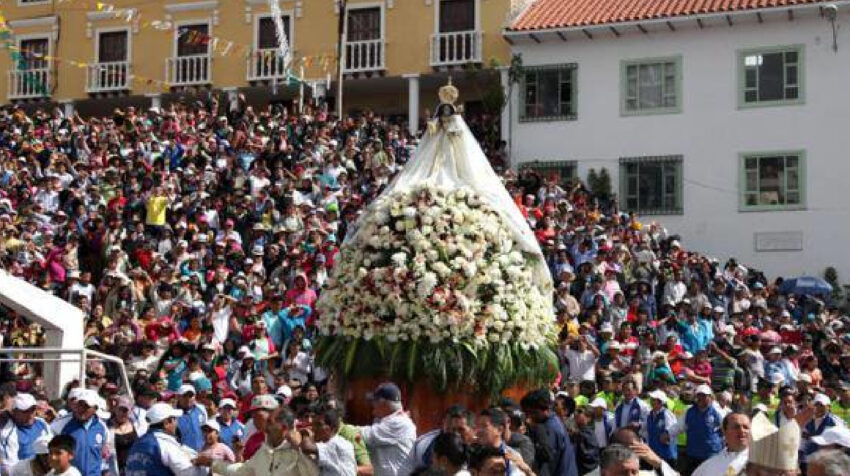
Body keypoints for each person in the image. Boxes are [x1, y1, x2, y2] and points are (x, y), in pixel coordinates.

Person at [196, 407, 319, 476]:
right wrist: (213, 463)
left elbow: (314, 473)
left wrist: (299, 448)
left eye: (270, 423)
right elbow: (242, 471)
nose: (265, 428)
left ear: (284, 428)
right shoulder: (264, 451)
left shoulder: (300, 452)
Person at [125, 402, 208, 476]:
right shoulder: (165, 444)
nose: (176, 423)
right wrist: (206, 467)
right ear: (166, 423)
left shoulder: (137, 443)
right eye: (174, 419)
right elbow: (187, 472)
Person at [355, 383, 416, 476]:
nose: (372, 405)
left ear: (383, 403)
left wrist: (338, 426)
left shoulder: (398, 423)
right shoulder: (388, 420)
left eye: (374, 401)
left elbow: (362, 435)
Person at [49, 390, 109, 476]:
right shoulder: (59, 425)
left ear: (95, 408)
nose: (81, 409)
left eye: (86, 406)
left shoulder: (102, 428)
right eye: (79, 404)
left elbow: (103, 456)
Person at [401, 404, 474, 475]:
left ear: (472, 430)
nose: (456, 434)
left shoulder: (479, 451)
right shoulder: (428, 446)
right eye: (453, 430)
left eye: (461, 430)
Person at [521, 389, 578, 476]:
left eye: (532, 412)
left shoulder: (549, 429)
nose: (529, 417)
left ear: (543, 410)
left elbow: (547, 466)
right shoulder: (553, 421)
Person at [671, 385, 724, 474]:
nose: (701, 398)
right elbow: (679, 426)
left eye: (704, 395)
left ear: (710, 397)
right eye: (699, 395)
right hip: (693, 454)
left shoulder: (718, 412)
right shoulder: (689, 411)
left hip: (711, 455)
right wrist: (667, 433)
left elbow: (727, 429)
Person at [0, 393, 52, 470]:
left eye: (33, 409)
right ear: (14, 412)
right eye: (25, 411)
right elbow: (10, 468)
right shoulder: (7, 432)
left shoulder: (42, 423)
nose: (30, 414)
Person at [300, 406, 356, 476]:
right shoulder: (327, 444)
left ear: (332, 428)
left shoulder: (336, 444)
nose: (313, 429)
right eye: (313, 425)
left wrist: (305, 433)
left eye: (318, 425)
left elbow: (306, 447)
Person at [643, 391, 677, 467]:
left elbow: (673, 430)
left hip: (666, 455)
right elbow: (644, 431)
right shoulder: (649, 415)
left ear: (660, 402)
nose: (651, 402)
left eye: (654, 399)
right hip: (654, 454)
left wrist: (666, 435)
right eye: (651, 399)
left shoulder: (667, 414)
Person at [176, 385, 208, 452]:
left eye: (190, 396)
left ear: (195, 396)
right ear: (178, 397)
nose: (188, 399)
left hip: (202, 450)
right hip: (184, 453)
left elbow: (206, 430)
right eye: (184, 396)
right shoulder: (173, 414)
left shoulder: (201, 409)